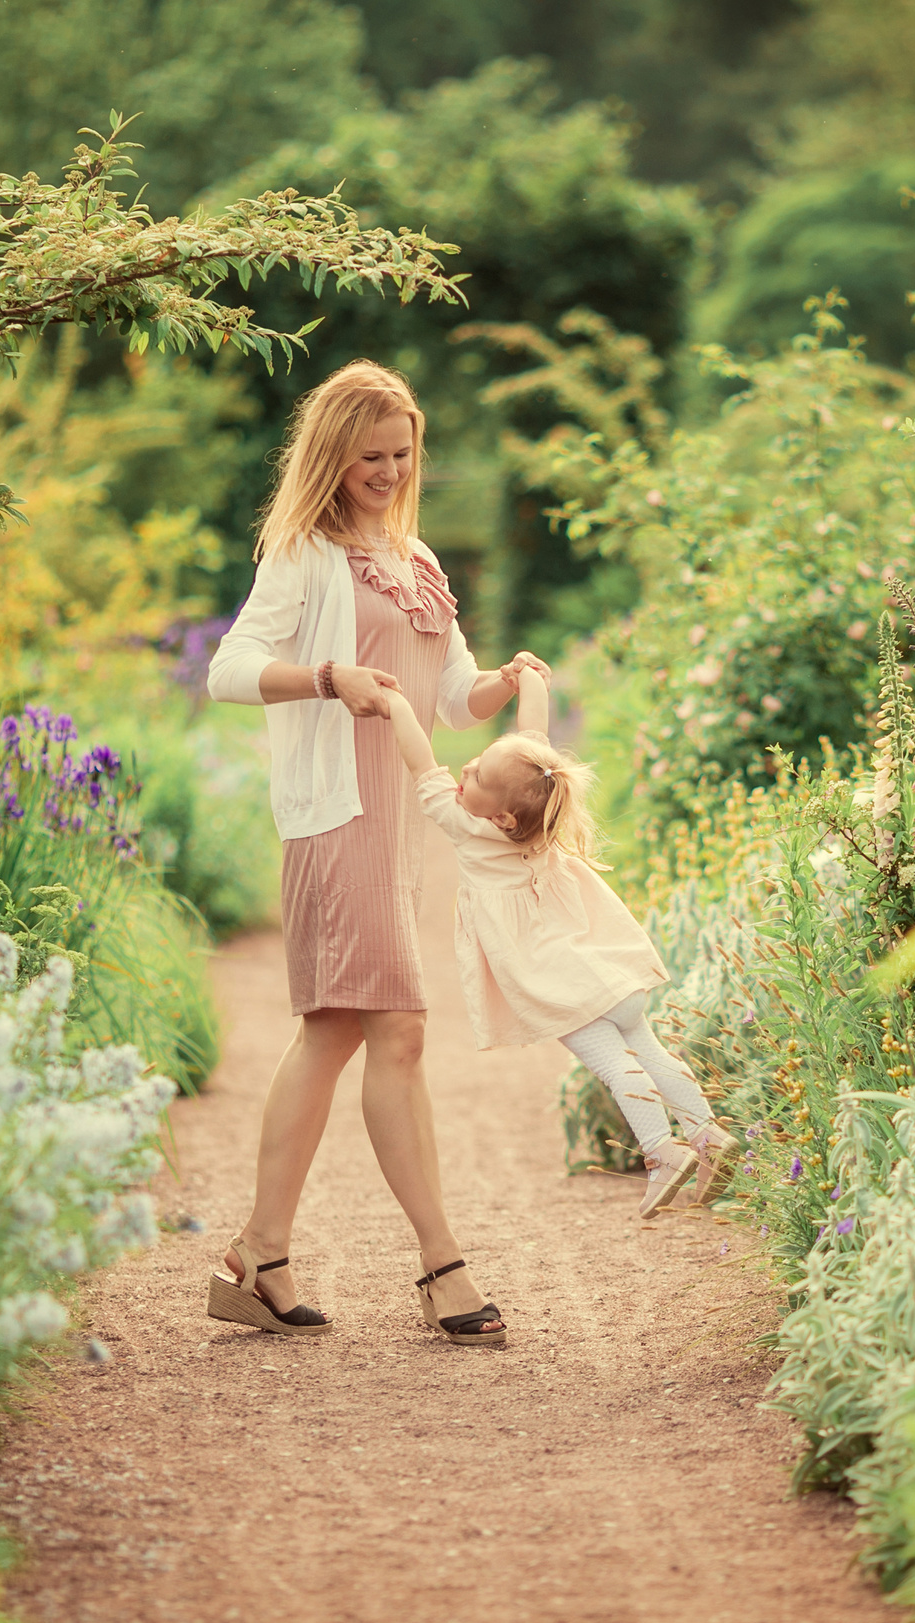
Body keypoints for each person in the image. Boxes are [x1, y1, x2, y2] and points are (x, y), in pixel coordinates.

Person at [201, 359, 536, 1346]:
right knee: (389, 1032)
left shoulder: (416, 555)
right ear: (332, 456)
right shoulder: (303, 554)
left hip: (397, 824)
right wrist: (324, 678)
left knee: (340, 1033)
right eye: (368, 457)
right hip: (337, 815)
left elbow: (449, 694)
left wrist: (503, 686)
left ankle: (259, 1251)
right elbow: (225, 670)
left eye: (400, 454)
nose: (387, 471)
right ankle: (442, 1267)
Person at [375, 659, 737, 1220]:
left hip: (563, 984)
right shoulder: (539, 801)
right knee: (650, 1050)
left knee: (619, 1067)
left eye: (472, 776)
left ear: (499, 818)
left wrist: (394, 703)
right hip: (609, 966)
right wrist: (531, 678)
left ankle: (663, 1152)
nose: (463, 771)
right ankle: (709, 1135)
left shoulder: (464, 824)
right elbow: (532, 735)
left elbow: (420, 762)